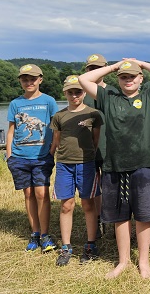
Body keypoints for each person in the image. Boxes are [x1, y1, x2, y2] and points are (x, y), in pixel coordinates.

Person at [78, 58, 150, 279]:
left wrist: (140, 63)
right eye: (124, 77)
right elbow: (83, 79)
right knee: (121, 216)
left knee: (144, 215)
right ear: (118, 79)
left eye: (132, 76)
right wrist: (113, 67)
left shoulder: (148, 94)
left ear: (140, 79)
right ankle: (123, 261)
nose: (128, 80)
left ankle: (144, 262)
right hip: (115, 165)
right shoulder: (108, 96)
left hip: (144, 164)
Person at [49, 75, 104, 266]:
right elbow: (56, 140)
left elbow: (95, 140)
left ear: (84, 92)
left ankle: (91, 244)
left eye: (78, 92)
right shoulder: (59, 116)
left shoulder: (93, 114)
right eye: (70, 92)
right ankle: (66, 247)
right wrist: (51, 156)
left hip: (86, 164)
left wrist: (89, 155)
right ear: (64, 93)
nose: (74, 96)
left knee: (88, 204)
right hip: (64, 164)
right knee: (66, 205)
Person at [5, 64, 59, 253]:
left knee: (42, 194)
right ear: (20, 81)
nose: (29, 82)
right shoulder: (15, 104)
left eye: (32, 79)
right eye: (25, 79)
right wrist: (9, 154)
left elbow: (56, 128)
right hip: (19, 157)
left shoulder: (49, 101)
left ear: (40, 80)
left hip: (42, 157)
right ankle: (35, 233)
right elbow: (11, 130)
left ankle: (45, 234)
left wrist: (52, 150)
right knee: (28, 194)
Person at [82, 53, 116, 238]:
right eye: (91, 68)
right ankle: (96, 220)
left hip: (109, 146)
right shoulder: (82, 92)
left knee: (111, 186)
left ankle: (110, 219)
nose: (94, 71)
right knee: (93, 188)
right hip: (87, 149)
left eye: (98, 68)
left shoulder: (112, 91)